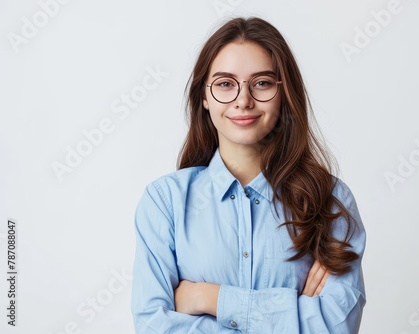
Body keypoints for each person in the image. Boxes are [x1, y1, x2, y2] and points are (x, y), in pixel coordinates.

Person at [131, 17, 366, 333]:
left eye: (263, 83)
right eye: (226, 84)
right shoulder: (166, 202)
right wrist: (290, 316)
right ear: (204, 96)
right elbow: (153, 326)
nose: (243, 100)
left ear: (284, 94)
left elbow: (334, 326)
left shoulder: (331, 200)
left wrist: (210, 298)